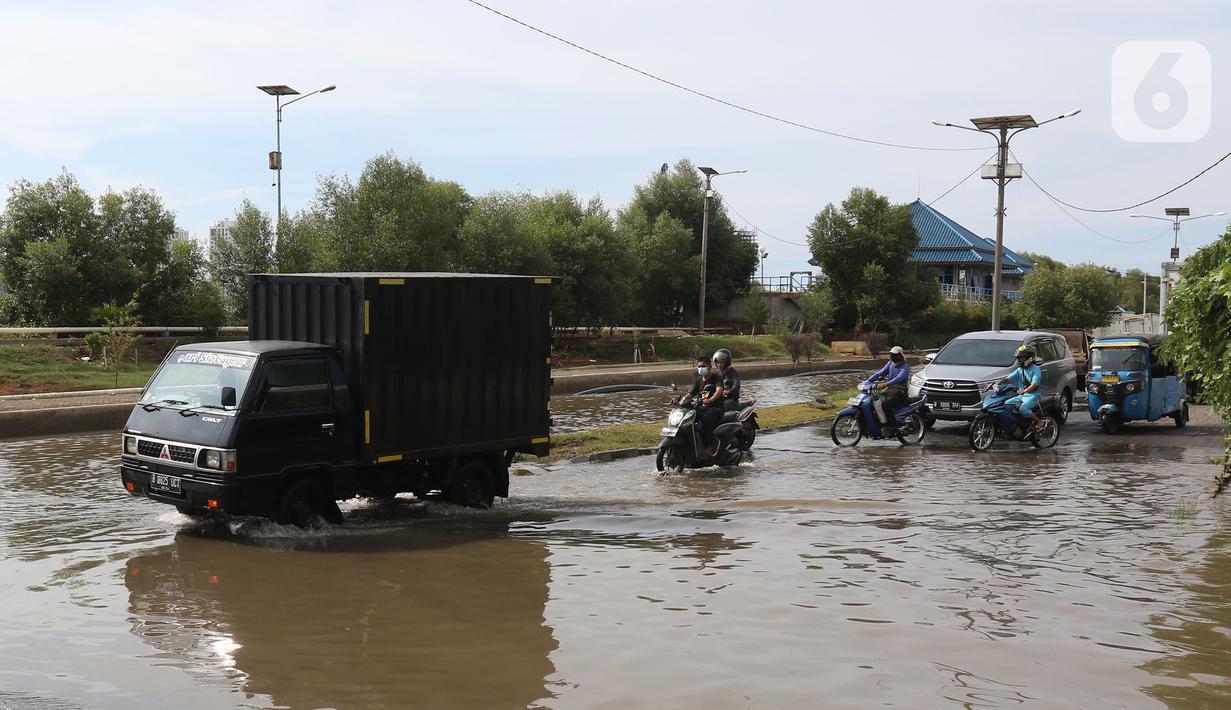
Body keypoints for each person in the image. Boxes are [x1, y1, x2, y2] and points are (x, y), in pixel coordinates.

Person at [992, 344, 1044, 431]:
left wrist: (1025, 391)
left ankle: (1039, 422)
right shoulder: (1020, 370)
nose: (1019, 360)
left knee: (1023, 409)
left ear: (1029, 357)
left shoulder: (1036, 369)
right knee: (1006, 404)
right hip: (1022, 396)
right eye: (1018, 358)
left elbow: (1035, 384)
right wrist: (995, 383)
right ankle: (1017, 424)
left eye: (1022, 358)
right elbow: (1008, 378)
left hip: (1033, 396)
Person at [862, 345, 909, 433]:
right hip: (890, 391)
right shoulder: (890, 364)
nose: (892, 356)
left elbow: (899, 378)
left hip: (900, 393)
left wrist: (886, 384)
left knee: (885, 404)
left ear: (900, 356)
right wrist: (867, 381)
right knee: (874, 401)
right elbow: (879, 373)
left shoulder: (905, 367)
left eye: (894, 355)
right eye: (891, 354)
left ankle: (891, 426)